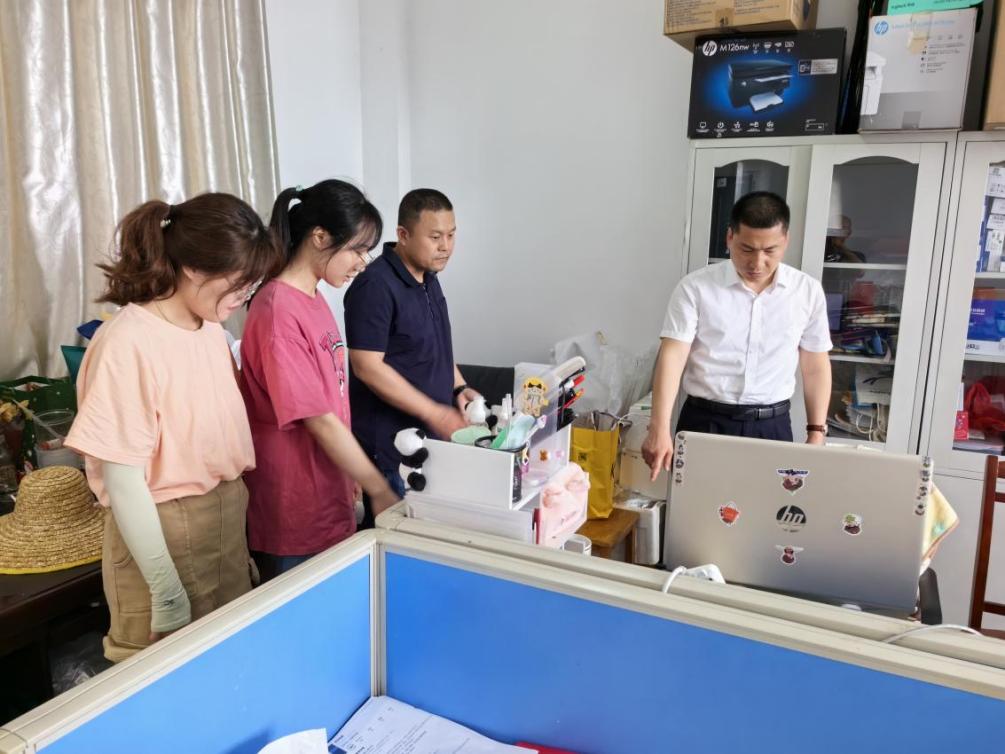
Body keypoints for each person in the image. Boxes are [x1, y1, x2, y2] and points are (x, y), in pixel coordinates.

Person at [66, 193, 282, 662]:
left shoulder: (210, 330)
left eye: (252, 284)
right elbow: (124, 481)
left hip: (223, 524)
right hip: (161, 534)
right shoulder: (128, 341)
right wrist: (165, 591)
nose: (245, 296)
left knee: (226, 666)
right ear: (193, 268)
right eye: (239, 283)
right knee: (164, 678)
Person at [239, 180, 402, 581]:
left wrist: (352, 478)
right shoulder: (277, 310)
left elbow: (334, 400)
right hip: (293, 507)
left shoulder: (313, 298)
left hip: (328, 493)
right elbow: (319, 419)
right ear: (320, 237)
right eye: (357, 250)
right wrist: (378, 487)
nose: (363, 262)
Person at [642, 191, 833, 480]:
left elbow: (815, 365)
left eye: (770, 251)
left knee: (770, 507)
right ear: (730, 237)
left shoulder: (806, 291)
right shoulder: (695, 288)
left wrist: (816, 432)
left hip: (772, 427)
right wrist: (659, 428)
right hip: (705, 423)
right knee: (696, 506)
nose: (757, 263)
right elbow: (673, 357)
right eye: (747, 249)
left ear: (786, 241)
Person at [344, 189, 479, 527]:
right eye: (435, 237)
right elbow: (367, 367)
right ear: (403, 235)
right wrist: (435, 412)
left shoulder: (428, 278)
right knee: (397, 542)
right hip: (391, 451)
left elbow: (432, 347)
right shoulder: (375, 286)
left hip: (429, 440)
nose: (445, 246)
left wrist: (459, 387)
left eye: (451, 235)